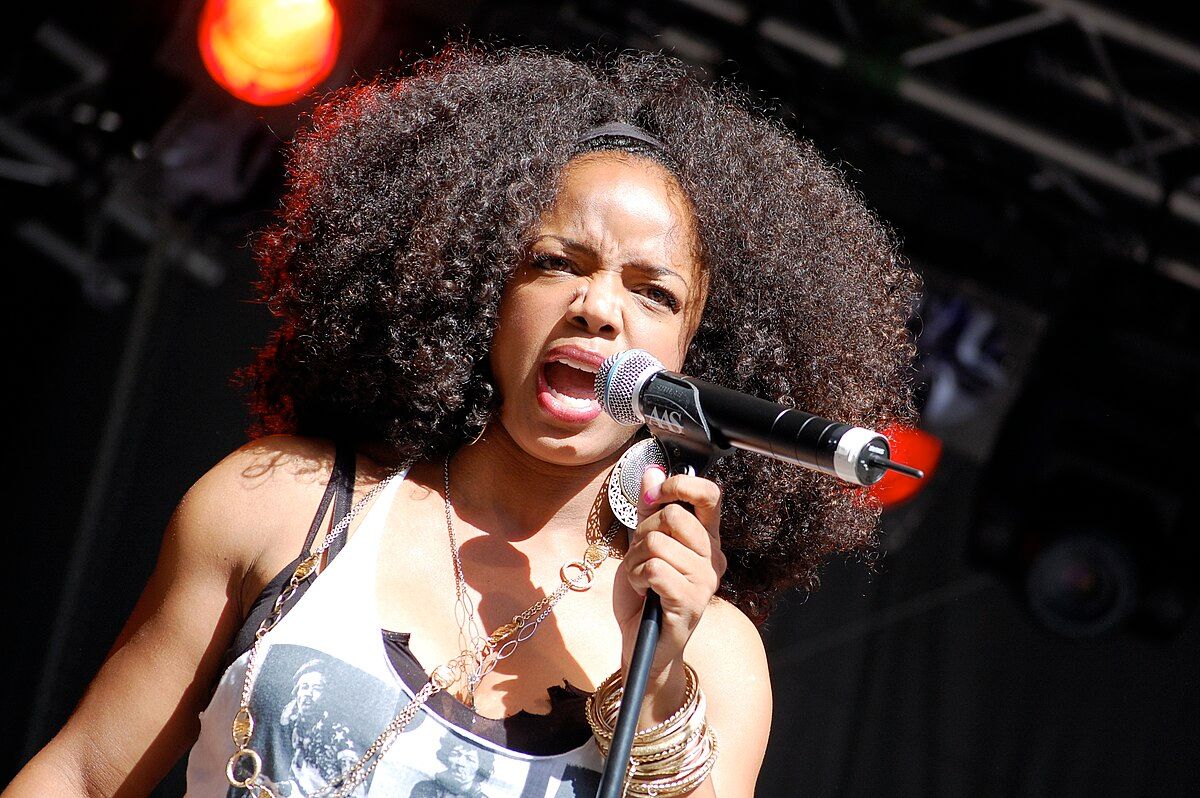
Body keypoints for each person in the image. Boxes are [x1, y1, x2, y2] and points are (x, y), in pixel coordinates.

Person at [6, 43, 920, 798]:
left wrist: (661, 692)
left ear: (694, 354)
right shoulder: (281, 505)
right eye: (557, 262)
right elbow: (84, 776)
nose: (600, 309)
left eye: (653, 291)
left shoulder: (713, 655)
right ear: (484, 288)